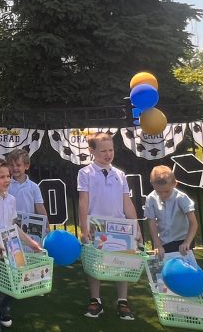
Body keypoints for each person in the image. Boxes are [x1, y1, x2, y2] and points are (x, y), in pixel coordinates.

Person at [77, 132, 142, 320]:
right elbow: (83, 201)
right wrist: (84, 228)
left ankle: (123, 301)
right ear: (92, 151)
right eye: (103, 151)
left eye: (111, 150)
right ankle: (95, 300)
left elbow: (127, 202)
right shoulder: (85, 173)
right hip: (96, 227)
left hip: (120, 227)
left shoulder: (120, 175)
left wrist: (136, 227)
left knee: (122, 262)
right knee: (94, 263)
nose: (108, 154)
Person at [0, 159, 42, 331]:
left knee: (12, 283)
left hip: (10, 248)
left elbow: (13, 226)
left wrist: (31, 242)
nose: (7, 180)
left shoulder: (11, 199)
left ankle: (3, 309)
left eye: (8, 176)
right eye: (2, 177)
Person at [144, 166, 198, 260]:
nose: (163, 195)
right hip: (164, 242)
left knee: (184, 266)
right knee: (165, 266)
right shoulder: (151, 198)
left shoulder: (181, 198)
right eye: (159, 192)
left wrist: (187, 242)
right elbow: (152, 224)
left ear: (174, 184)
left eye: (166, 191)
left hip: (182, 240)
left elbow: (193, 223)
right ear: (152, 184)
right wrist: (158, 245)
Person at [7, 149, 48, 240]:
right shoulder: (6, 185)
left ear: (26, 166)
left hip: (29, 226)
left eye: (18, 165)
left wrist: (47, 226)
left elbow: (39, 206)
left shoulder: (33, 187)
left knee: (30, 246)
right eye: (11, 165)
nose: (14, 168)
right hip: (10, 225)